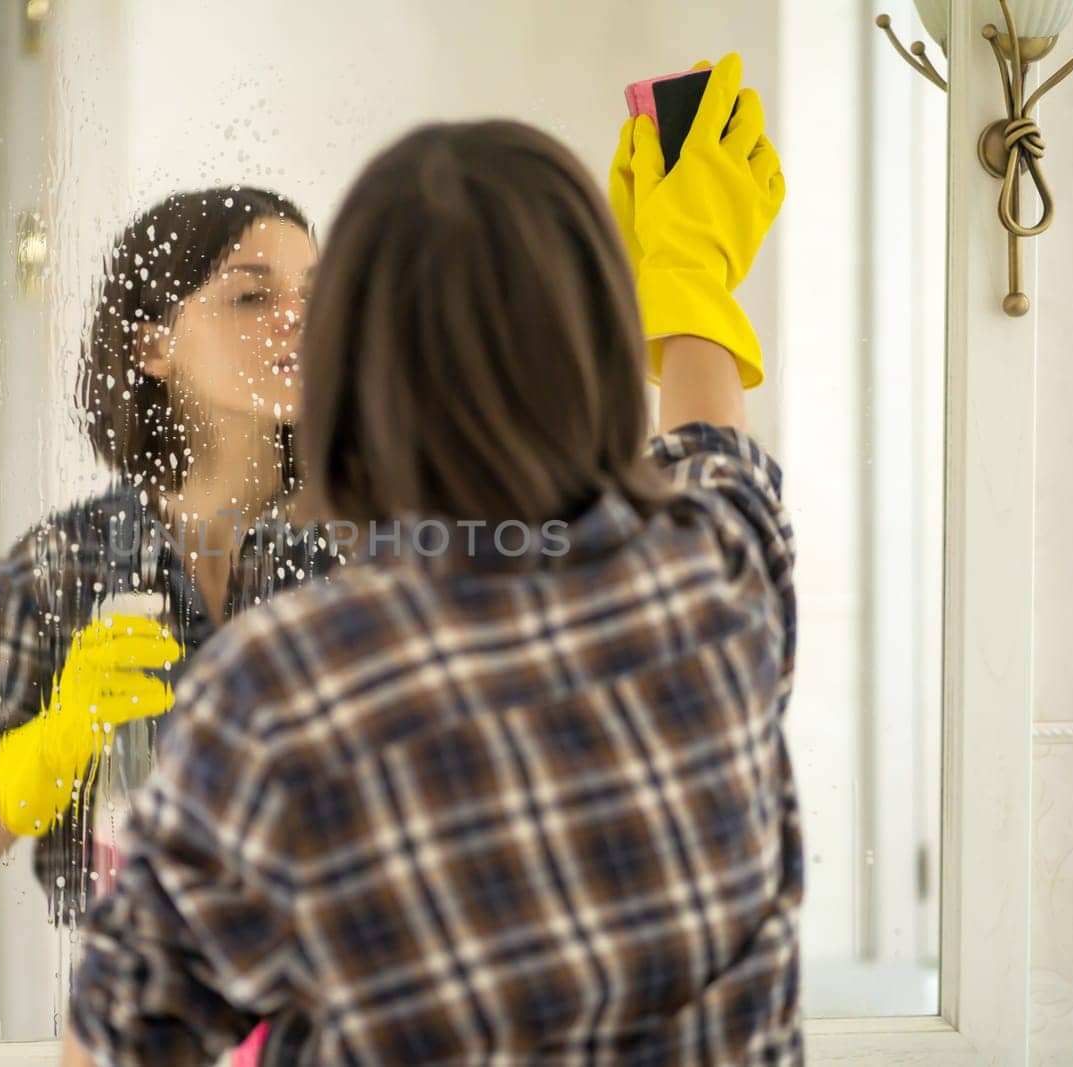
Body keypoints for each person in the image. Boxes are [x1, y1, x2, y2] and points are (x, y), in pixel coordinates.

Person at [65, 53, 800, 1064]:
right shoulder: (717, 574)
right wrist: (691, 275)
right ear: (598, 338)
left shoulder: (284, 689)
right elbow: (715, 448)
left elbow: (117, 1043)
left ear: (352, 368)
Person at [0, 187, 336, 926]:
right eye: (251, 297)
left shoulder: (373, 546)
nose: (299, 320)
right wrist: (55, 739)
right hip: (134, 1008)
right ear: (151, 346)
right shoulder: (62, 564)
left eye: (314, 292)